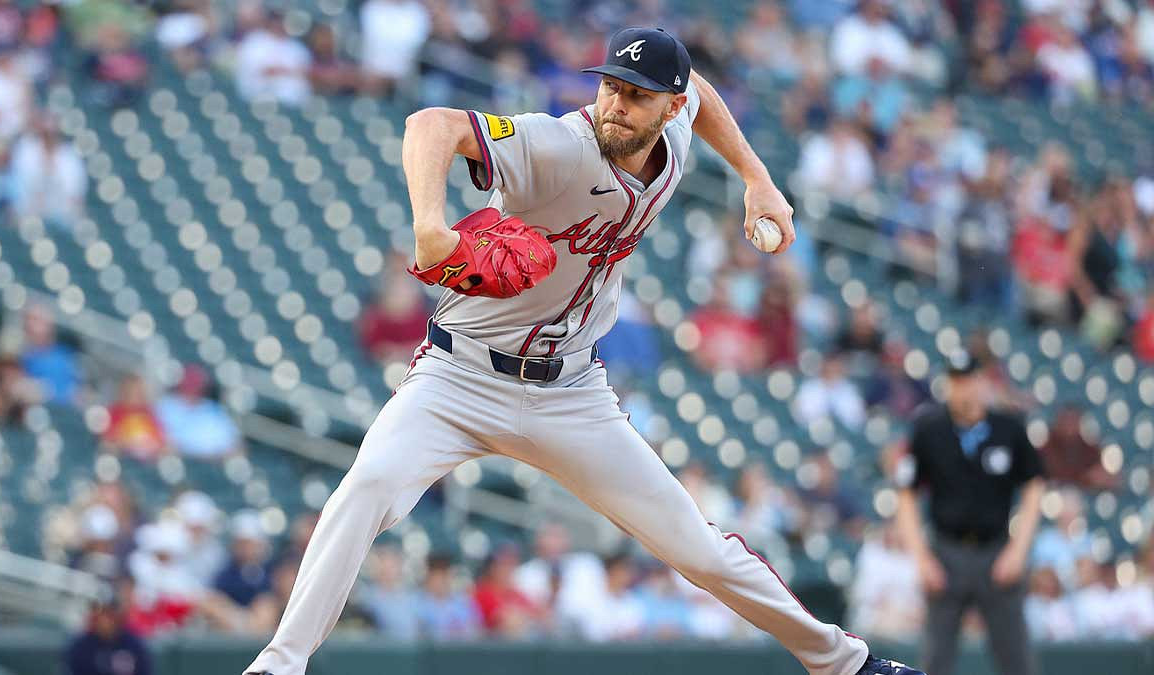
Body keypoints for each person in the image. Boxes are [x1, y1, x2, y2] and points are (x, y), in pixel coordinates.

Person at [244, 26, 920, 675]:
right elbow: (430, 124)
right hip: (459, 376)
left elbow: (704, 93)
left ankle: (845, 663)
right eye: (611, 87)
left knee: (700, 550)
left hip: (572, 395)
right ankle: (278, 665)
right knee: (364, 489)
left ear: (668, 105)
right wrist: (430, 224)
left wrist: (756, 176)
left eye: (637, 94)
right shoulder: (558, 144)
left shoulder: (674, 140)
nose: (617, 105)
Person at [895, 350, 1046, 675]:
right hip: (946, 552)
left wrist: (1018, 551)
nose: (962, 388)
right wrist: (922, 559)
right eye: (955, 381)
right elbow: (905, 495)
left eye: (968, 379)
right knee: (936, 659)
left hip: (996, 551)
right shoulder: (928, 429)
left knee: (1016, 658)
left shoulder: (1009, 428)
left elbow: (1034, 486)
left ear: (982, 381)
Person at [64, 597, 152, 675]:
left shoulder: (134, 646)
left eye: (109, 614)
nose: (104, 620)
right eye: (100, 614)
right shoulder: (81, 647)